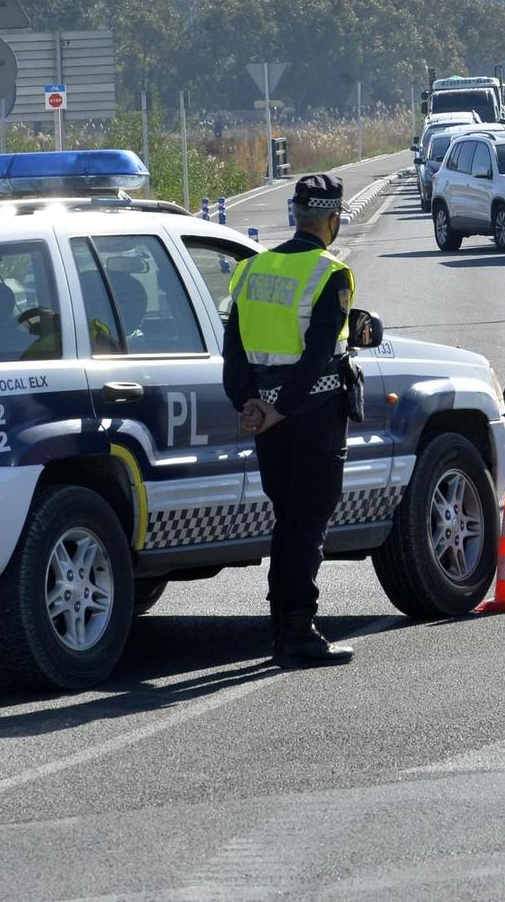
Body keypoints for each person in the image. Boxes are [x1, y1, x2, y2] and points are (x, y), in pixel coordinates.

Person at [223, 173, 359, 666]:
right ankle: (297, 631)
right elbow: (318, 353)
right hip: (314, 414)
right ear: (333, 219)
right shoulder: (331, 273)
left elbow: (233, 354)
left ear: (294, 214)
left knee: (288, 521)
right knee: (307, 524)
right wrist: (281, 408)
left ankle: (283, 628)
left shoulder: (250, 271)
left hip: (266, 419)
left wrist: (251, 406)